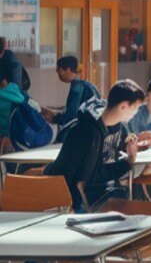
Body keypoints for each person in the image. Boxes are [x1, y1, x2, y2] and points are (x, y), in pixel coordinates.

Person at [44, 79, 145, 211]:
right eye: (135, 108)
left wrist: (132, 150)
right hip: (76, 200)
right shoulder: (88, 133)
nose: (135, 113)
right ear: (123, 106)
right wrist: (128, 162)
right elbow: (88, 177)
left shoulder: (118, 127)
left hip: (99, 195)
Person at [42, 56, 100, 132]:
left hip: (89, 128)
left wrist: (53, 119)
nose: (59, 74)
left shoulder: (77, 87)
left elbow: (71, 115)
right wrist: (54, 112)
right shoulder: (84, 84)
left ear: (68, 69)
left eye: (60, 70)